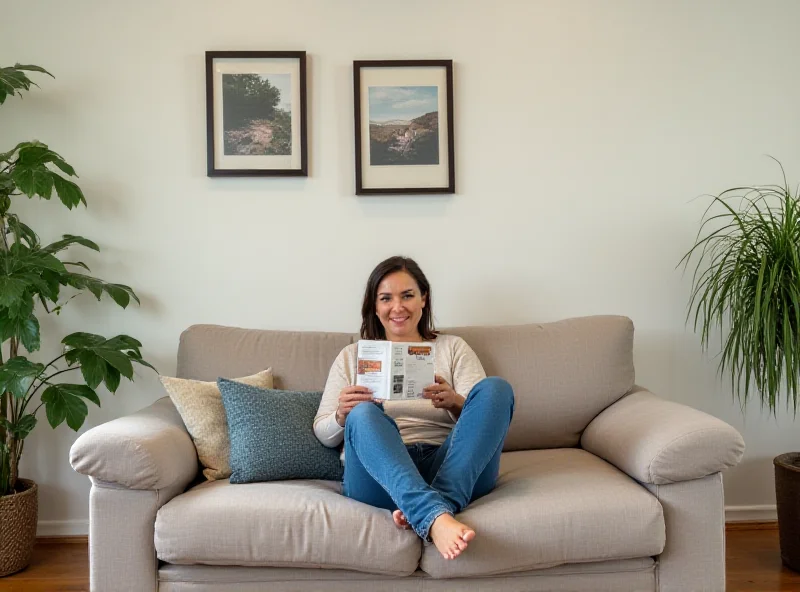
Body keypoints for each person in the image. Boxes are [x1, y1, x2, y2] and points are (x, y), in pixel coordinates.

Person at [313, 256, 514, 560]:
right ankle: (436, 513)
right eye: (386, 298)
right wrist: (342, 415)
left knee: (497, 388)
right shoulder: (352, 356)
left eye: (407, 295)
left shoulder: (453, 348)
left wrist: (456, 403)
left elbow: (485, 418)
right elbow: (324, 435)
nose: (398, 307)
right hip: (380, 473)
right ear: (374, 305)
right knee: (364, 414)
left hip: (448, 465)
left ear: (424, 298)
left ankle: (426, 509)